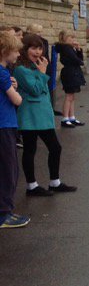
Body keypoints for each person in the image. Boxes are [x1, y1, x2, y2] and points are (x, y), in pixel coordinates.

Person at [14, 34, 77, 198]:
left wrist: (41, 71)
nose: (37, 51)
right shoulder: (21, 69)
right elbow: (35, 89)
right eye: (33, 48)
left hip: (42, 114)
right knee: (30, 149)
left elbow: (44, 88)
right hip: (30, 115)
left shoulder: (37, 65)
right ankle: (32, 186)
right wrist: (42, 72)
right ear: (24, 49)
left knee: (55, 148)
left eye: (40, 48)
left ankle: (54, 182)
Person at [0, 30, 29, 228]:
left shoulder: (4, 74)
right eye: (15, 51)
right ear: (4, 51)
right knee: (8, 171)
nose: (18, 55)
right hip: (4, 125)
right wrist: (17, 91)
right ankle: (4, 214)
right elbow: (17, 100)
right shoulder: (2, 73)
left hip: (5, 124)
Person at [55, 30, 86, 127]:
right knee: (69, 96)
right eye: (71, 38)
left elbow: (79, 58)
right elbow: (77, 60)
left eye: (74, 37)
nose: (73, 40)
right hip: (70, 73)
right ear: (65, 38)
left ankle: (71, 116)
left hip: (73, 72)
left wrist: (78, 49)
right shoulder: (66, 48)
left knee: (72, 96)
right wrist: (80, 61)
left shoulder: (69, 48)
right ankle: (65, 118)